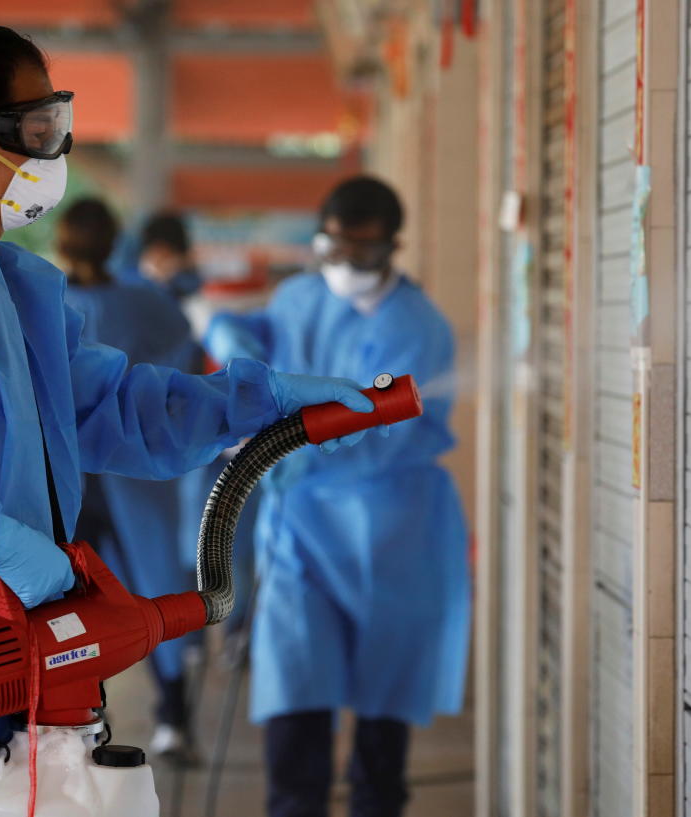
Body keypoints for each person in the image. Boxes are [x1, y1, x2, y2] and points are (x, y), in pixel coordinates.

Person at [0, 19, 379, 817]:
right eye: (34, 130)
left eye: (54, 122)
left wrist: (260, 401)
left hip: (28, 657)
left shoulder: (23, 286)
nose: (52, 153)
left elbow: (119, 408)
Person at [206, 176, 470, 817]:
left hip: (391, 530)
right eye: (335, 247)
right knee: (296, 690)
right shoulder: (299, 296)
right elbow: (263, 338)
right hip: (300, 529)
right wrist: (228, 334)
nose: (347, 265)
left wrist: (290, 449)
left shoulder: (419, 326)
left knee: (382, 711)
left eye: (365, 251)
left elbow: (383, 430)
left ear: (393, 246)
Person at [55, 197, 206, 761]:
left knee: (75, 604)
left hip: (85, 481)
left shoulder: (41, 299)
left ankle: (92, 718)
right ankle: (172, 715)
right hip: (119, 473)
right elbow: (185, 367)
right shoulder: (142, 303)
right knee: (150, 593)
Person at [133, 210, 202, 299]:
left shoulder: (185, 272)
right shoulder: (134, 273)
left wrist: (171, 272)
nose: (161, 256)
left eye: (168, 253)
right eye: (157, 249)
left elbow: (194, 288)